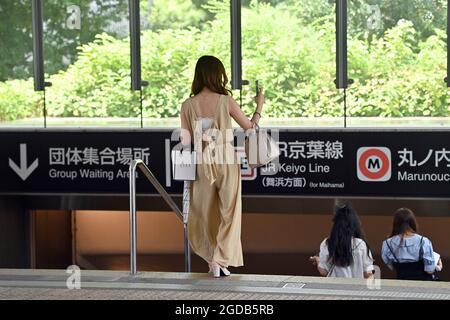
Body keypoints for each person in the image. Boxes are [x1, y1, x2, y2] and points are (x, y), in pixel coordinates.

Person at [179, 55, 264, 277]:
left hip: (200, 161)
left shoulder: (187, 105)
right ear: (218, 75)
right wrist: (259, 106)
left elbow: (185, 141)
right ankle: (219, 258)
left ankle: (212, 260)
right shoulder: (226, 102)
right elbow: (250, 128)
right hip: (226, 159)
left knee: (203, 213)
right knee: (229, 212)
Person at [310, 204, 374, 278]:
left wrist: (318, 260)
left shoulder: (328, 243)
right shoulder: (360, 244)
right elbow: (367, 273)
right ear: (354, 224)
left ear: (335, 225)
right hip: (355, 288)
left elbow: (324, 271)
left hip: (334, 288)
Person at [381, 208, 443, 281]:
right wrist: (439, 265)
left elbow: (391, 267)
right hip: (423, 285)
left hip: (401, 284)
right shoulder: (423, 241)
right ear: (413, 222)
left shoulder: (387, 244)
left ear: (395, 223)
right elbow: (429, 270)